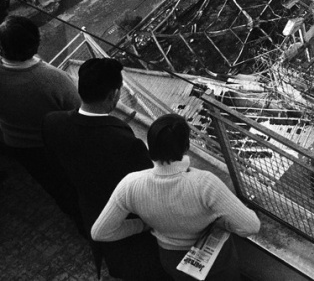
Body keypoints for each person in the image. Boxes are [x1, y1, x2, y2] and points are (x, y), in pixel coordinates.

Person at [43, 58, 170, 280]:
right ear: (113, 95)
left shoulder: (52, 123)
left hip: (91, 208)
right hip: (129, 222)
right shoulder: (124, 142)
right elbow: (150, 188)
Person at [92, 114, 260, 280]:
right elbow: (251, 226)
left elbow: (100, 232)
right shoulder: (204, 183)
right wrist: (223, 223)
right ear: (186, 146)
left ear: (150, 147)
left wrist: (143, 225)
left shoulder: (130, 185)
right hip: (216, 261)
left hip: (172, 260)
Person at [0, 15, 84, 233]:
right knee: (73, 185)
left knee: (54, 186)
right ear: (37, 42)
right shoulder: (55, 79)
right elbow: (78, 113)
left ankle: (78, 222)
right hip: (55, 146)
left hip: (17, 144)